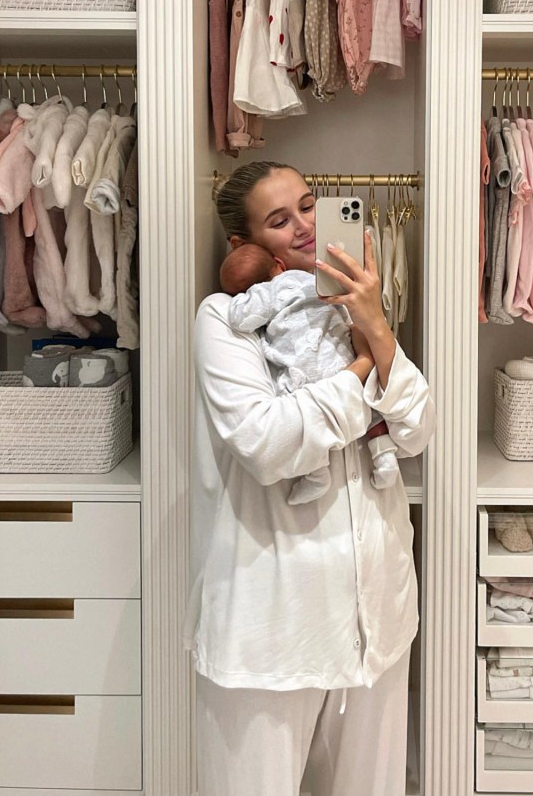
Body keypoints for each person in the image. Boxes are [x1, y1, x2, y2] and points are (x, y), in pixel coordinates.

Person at [183, 160, 435, 796]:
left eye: (308, 204)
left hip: (374, 620)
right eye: (279, 218)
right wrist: (358, 369)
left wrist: (375, 325)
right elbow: (268, 443)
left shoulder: (352, 304)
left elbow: (416, 430)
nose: (303, 225)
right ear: (243, 245)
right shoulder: (225, 319)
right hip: (275, 632)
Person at [220, 241, 402, 504]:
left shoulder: (264, 294)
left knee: (300, 414)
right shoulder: (309, 279)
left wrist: (238, 298)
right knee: (368, 400)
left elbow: (240, 319)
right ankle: (384, 456)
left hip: (305, 370)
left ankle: (317, 473)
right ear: (279, 264)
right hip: (340, 353)